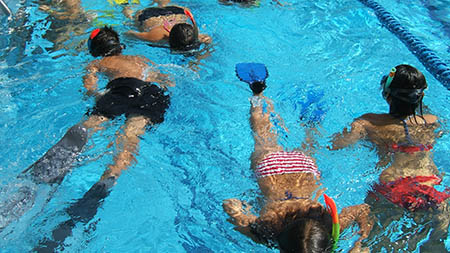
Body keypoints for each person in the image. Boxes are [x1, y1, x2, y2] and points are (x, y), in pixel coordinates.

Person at [28, 26, 172, 251]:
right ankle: (110, 177)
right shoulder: (140, 58)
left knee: (91, 124)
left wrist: (100, 98)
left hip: (123, 89)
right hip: (154, 93)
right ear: (120, 46)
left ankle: (75, 142)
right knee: (129, 139)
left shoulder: (97, 64)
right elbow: (167, 80)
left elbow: (89, 90)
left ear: (95, 51)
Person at [222, 63, 373, 252]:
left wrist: (361, 239)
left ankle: (308, 122)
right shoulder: (268, 232)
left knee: (309, 143)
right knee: (262, 134)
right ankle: (257, 94)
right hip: (270, 173)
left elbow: (361, 209)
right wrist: (245, 211)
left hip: (304, 170)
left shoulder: (333, 228)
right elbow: (230, 204)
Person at [330, 64, 450, 252]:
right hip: (432, 191)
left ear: (387, 95)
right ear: (421, 96)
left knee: (367, 240)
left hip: (393, 188)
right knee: (434, 243)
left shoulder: (368, 122)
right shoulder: (433, 121)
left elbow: (336, 145)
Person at [123, 3, 212, 52]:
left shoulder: (197, 36)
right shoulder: (156, 37)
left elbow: (209, 40)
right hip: (150, 15)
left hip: (179, 12)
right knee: (131, 21)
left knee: (162, 4)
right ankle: (127, 8)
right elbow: (129, 34)